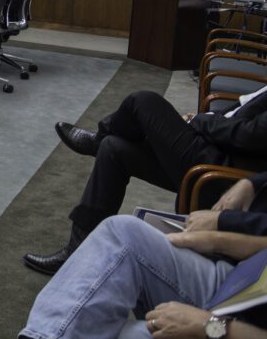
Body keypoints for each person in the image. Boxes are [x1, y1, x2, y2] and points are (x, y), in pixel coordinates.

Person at [23, 88, 267, 275]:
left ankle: (96, 141)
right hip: (216, 151)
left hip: (223, 173)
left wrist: (200, 122)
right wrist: (207, 118)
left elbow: (251, 135)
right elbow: (241, 111)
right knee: (113, 148)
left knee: (143, 101)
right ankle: (76, 251)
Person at [21, 172, 267, 338]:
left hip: (237, 327)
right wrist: (217, 240)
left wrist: (210, 327)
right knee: (122, 232)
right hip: (249, 278)